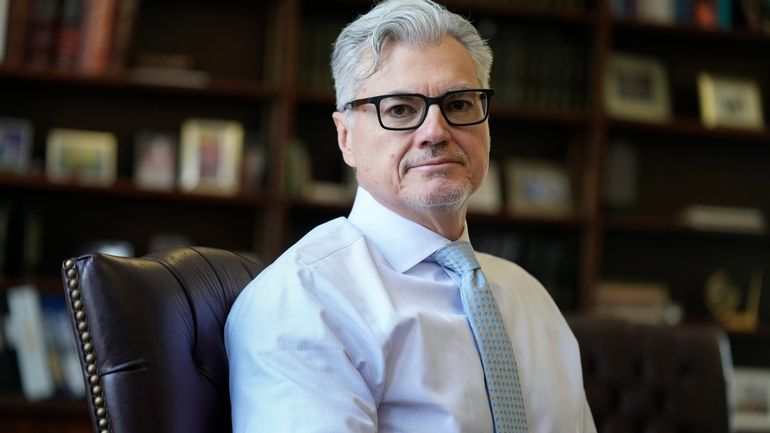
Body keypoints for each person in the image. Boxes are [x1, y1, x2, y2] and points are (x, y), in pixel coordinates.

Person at [225, 0, 597, 431]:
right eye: (400, 109)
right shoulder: (306, 299)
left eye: (458, 104)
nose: (436, 131)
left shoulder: (529, 297)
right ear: (346, 138)